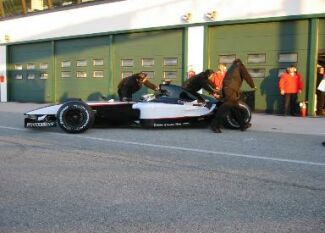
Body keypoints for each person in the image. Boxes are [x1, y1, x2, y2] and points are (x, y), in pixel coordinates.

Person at [210, 59, 256, 133]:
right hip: (231, 90)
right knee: (225, 107)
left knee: (235, 107)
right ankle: (215, 125)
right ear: (240, 62)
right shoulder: (240, 66)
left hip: (227, 89)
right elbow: (246, 76)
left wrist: (223, 91)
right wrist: (253, 85)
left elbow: (225, 80)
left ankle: (242, 125)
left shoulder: (231, 68)